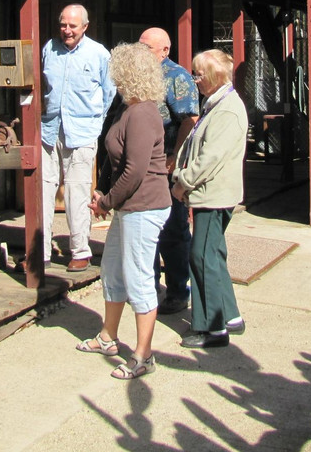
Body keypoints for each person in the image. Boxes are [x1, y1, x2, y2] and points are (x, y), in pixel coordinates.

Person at [78, 42, 171, 379]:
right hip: (130, 206)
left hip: (144, 207)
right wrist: (107, 194)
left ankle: (144, 356)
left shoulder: (143, 112)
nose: (112, 78)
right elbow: (120, 166)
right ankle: (108, 337)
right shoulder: (129, 109)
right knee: (113, 270)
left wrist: (105, 201)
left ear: (127, 75)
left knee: (139, 280)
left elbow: (134, 171)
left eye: (116, 72)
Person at [171, 49, 248, 349]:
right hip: (211, 194)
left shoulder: (226, 108)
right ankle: (230, 316)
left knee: (200, 257)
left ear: (215, 77)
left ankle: (212, 328)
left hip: (212, 196)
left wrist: (182, 183)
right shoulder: (216, 104)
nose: (195, 79)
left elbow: (209, 158)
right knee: (213, 254)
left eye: (199, 74)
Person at [41, 4, 116, 271]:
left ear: (85, 26)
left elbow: (109, 93)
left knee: (77, 192)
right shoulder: (48, 49)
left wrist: (95, 124)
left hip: (82, 133)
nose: (67, 30)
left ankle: (80, 251)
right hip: (49, 131)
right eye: (63, 24)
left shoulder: (99, 54)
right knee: (42, 190)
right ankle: (39, 251)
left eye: (73, 26)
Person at [138, 27, 199, 315]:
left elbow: (190, 118)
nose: (141, 52)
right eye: (139, 46)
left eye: (147, 47)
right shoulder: (137, 73)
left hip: (166, 164)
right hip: (142, 164)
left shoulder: (177, 76)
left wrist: (174, 155)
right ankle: (147, 287)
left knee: (173, 229)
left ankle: (177, 291)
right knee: (144, 228)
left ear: (165, 51)